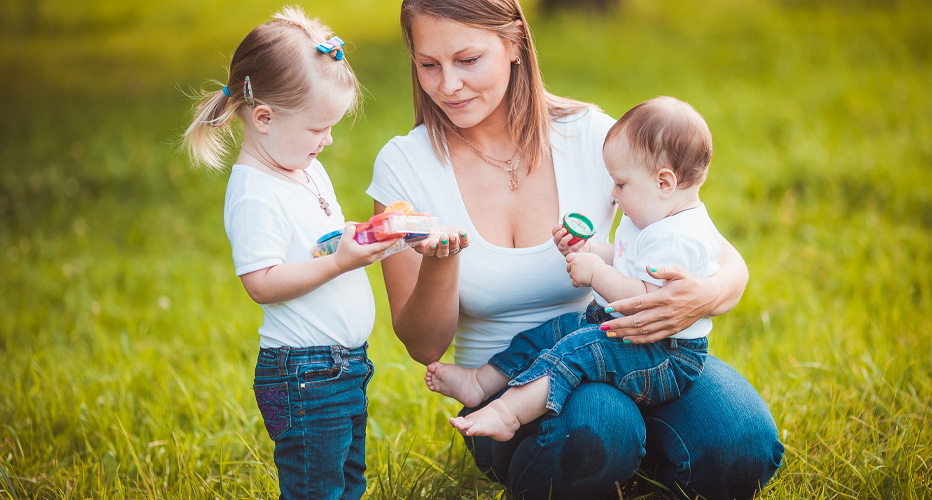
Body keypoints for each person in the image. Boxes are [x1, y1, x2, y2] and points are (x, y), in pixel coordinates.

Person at [367, 1, 784, 499]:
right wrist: (441, 264)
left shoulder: (591, 136)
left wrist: (704, 296)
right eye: (428, 64)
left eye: (468, 60)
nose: (448, 85)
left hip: (633, 351)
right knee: (601, 423)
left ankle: (629, 469)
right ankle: (604, 459)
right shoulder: (405, 165)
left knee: (743, 441)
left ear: (516, 43)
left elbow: (718, 252)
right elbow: (423, 346)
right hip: (508, 385)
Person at [181, 7, 416, 499]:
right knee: (316, 489)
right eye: (317, 129)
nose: (327, 140)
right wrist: (338, 262)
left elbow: (313, 240)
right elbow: (261, 281)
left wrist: (356, 235)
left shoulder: (302, 166)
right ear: (263, 118)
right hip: (305, 375)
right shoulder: (254, 192)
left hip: (345, 367)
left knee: (348, 483)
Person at [427, 96, 722, 442]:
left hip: (662, 355)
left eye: (621, 184)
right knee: (554, 332)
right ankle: (481, 382)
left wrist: (595, 273)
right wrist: (590, 250)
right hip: (624, 331)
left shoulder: (681, 237)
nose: (613, 191)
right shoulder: (656, 215)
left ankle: (508, 413)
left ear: (664, 183)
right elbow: (627, 256)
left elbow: (645, 302)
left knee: (574, 351)